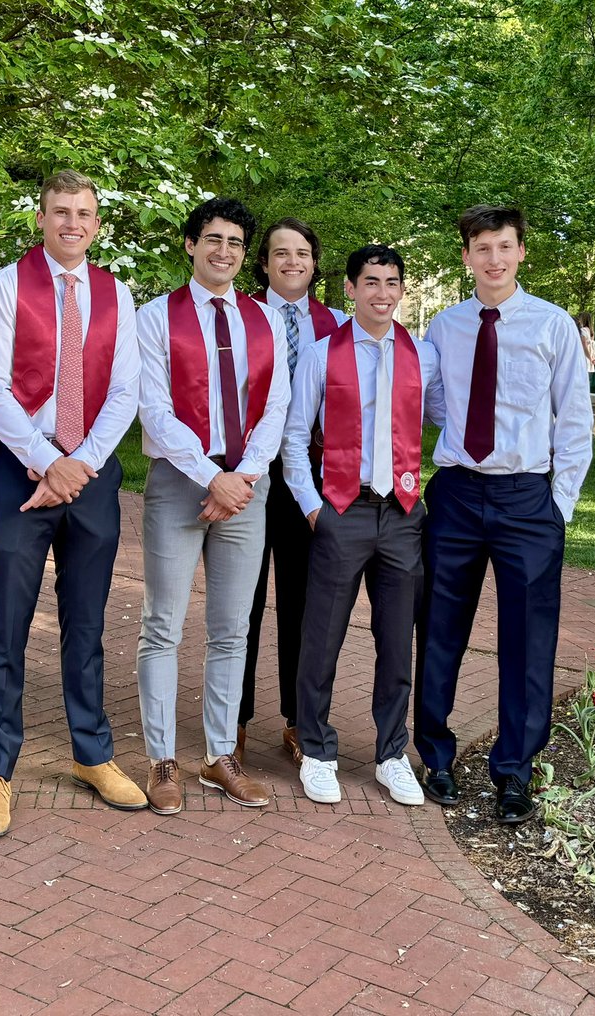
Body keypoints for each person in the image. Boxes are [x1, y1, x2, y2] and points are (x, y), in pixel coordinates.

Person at [0, 169, 144, 838]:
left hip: (92, 474)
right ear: (41, 218)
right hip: (24, 471)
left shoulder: (116, 293)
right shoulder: (9, 285)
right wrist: (47, 463)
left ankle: (91, 753)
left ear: (97, 223)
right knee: (7, 624)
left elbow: (124, 391)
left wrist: (80, 466)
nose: (72, 222)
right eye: (61, 211)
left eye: (85, 212)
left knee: (87, 626)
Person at [414, 205, 592, 823]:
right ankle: (435, 756)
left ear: (522, 253)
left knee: (527, 639)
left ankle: (515, 770)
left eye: (504, 246)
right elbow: (432, 404)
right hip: (457, 495)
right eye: (481, 247)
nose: (493, 258)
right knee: (439, 629)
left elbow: (574, 420)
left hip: (527, 500)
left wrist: (557, 505)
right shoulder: (445, 326)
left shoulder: (553, 325)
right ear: (466, 257)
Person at [135, 197, 290, 814]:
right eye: (212, 239)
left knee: (232, 629)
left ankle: (220, 755)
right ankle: (162, 758)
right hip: (179, 483)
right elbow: (155, 408)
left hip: (247, 490)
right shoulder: (154, 317)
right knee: (162, 625)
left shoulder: (266, 320)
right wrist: (211, 476)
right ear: (191, 245)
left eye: (234, 242)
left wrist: (244, 475)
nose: (223, 251)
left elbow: (275, 404)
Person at [284, 244, 442, 806]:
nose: (382, 293)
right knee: (321, 636)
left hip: (401, 515)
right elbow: (294, 437)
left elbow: (445, 423)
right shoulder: (324, 354)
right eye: (370, 282)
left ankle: (391, 753)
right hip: (342, 511)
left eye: (392, 282)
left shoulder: (423, 357)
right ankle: (319, 750)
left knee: (398, 640)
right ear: (349, 289)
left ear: (402, 289)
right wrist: (313, 508)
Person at [240, 218, 347, 766]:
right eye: (280, 253)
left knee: (305, 602)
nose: (291, 262)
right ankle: (230, 721)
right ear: (263, 263)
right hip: (249, 472)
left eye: (302, 253)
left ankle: (298, 719)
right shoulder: (237, 315)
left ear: (314, 262)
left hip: (312, 478)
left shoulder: (339, 326)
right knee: (243, 600)